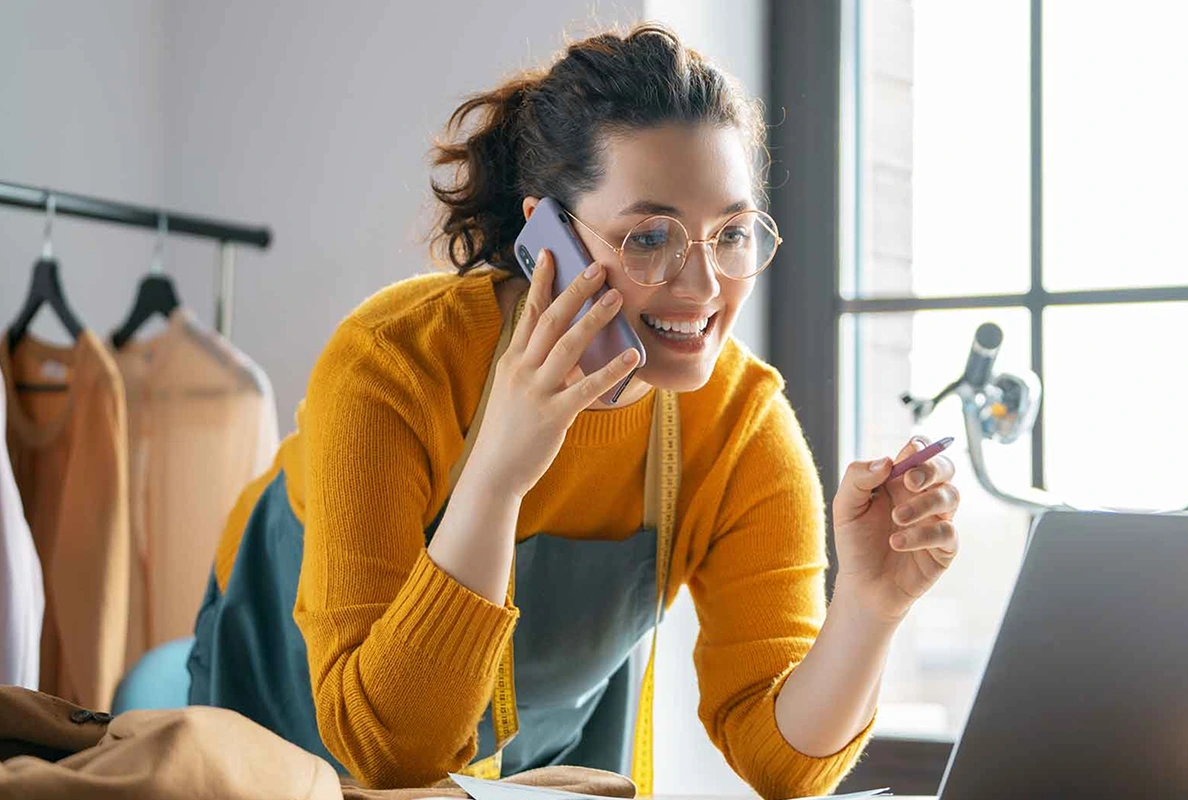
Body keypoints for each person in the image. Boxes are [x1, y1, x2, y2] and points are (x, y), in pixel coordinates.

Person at [186, 22, 961, 800]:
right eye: (650, 237)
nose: (701, 289)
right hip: (282, 740)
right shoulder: (391, 365)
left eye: (729, 234)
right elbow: (387, 754)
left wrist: (868, 608)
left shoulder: (742, 425)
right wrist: (496, 477)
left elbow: (781, 764)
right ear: (545, 233)